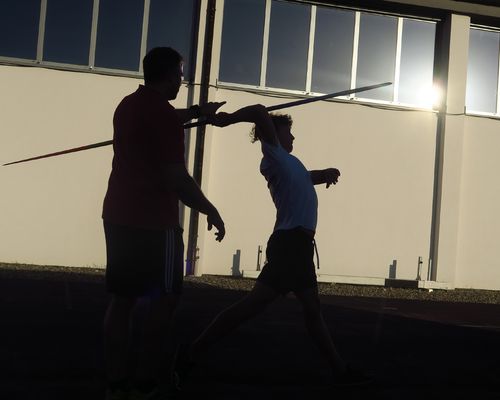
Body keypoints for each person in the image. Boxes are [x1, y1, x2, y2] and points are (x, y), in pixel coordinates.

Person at [177, 104, 371, 386]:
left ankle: (340, 371)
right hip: (290, 244)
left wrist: (325, 173)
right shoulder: (273, 155)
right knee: (255, 306)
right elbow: (257, 110)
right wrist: (228, 120)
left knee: (309, 309)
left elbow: (306, 179)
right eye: (288, 132)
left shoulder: (291, 162)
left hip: (299, 246)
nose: (293, 138)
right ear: (273, 134)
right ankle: (191, 352)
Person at [102, 47, 225, 400]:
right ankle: (144, 384)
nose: (182, 79)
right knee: (165, 300)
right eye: (181, 74)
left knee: (122, 300)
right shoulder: (165, 118)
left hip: (118, 216)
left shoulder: (129, 105)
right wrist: (210, 209)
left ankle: (116, 385)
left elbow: (163, 118)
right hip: (156, 225)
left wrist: (199, 113)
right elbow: (177, 179)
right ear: (171, 75)